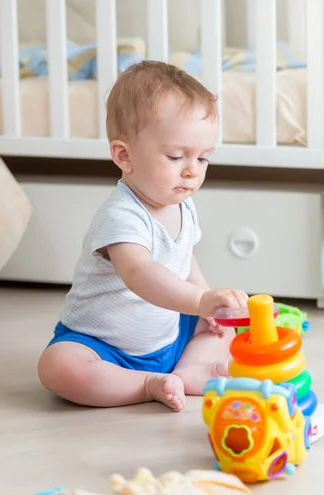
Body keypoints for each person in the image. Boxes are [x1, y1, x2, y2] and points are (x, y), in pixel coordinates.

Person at [38, 61, 248, 412]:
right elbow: (140, 273)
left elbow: (184, 259)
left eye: (203, 158)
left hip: (166, 336)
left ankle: (186, 371)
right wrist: (198, 301)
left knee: (222, 329)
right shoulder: (121, 215)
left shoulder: (182, 204)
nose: (191, 170)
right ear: (124, 155)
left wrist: (208, 302)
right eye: (176, 156)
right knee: (58, 367)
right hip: (102, 345)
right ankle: (146, 384)